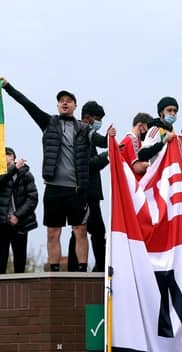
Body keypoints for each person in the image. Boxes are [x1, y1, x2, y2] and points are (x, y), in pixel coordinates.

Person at [1, 79, 102, 272]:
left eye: (68, 100)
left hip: (76, 189)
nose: (64, 102)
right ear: (58, 105)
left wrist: (112, 139)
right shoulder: (48, 122)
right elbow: (27, 104)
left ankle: (82, 270)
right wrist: (8, 87)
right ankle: (54, 271)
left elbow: (103, 142)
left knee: (80, 230)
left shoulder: (84, 128)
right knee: (52, 232)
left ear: (75, 105)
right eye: (61, 100)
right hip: (54, 188)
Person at [68, 101, 115, 273]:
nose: (99, 122)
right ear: (87, 117)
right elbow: (85, 165)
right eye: (97, 119)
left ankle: (94, 267)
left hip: (91, 193)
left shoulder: (87, 135)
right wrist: (107, 156)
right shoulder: (80, 135)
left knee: (88, 231)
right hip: (83, 193)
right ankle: (92, 268)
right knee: (85, 231)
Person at [0, 147, 38, 274]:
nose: (3, 157)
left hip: (21, 223)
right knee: (1, 259)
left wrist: (17, 216)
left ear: (12, 157)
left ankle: (20, 290)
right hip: (2, 222)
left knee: (20, 259)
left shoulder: (26, 175)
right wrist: (14, 169)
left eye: (6, 155)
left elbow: (32, 199)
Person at [138, 97, 179, 163]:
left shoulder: (173, 132)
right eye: (169, 110)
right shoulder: (155, 130)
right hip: (158, 171)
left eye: (175, 111)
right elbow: (142, 155)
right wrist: (163, 142)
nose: (173, 113)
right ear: (161, 113)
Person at [119, 112, 153, 180]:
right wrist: (154, 164)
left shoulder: (125, 141)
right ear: (141, 126)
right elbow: (138, 167)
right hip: (135, 184)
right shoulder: (133, 140)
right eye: (148, 129)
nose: (148, 132)